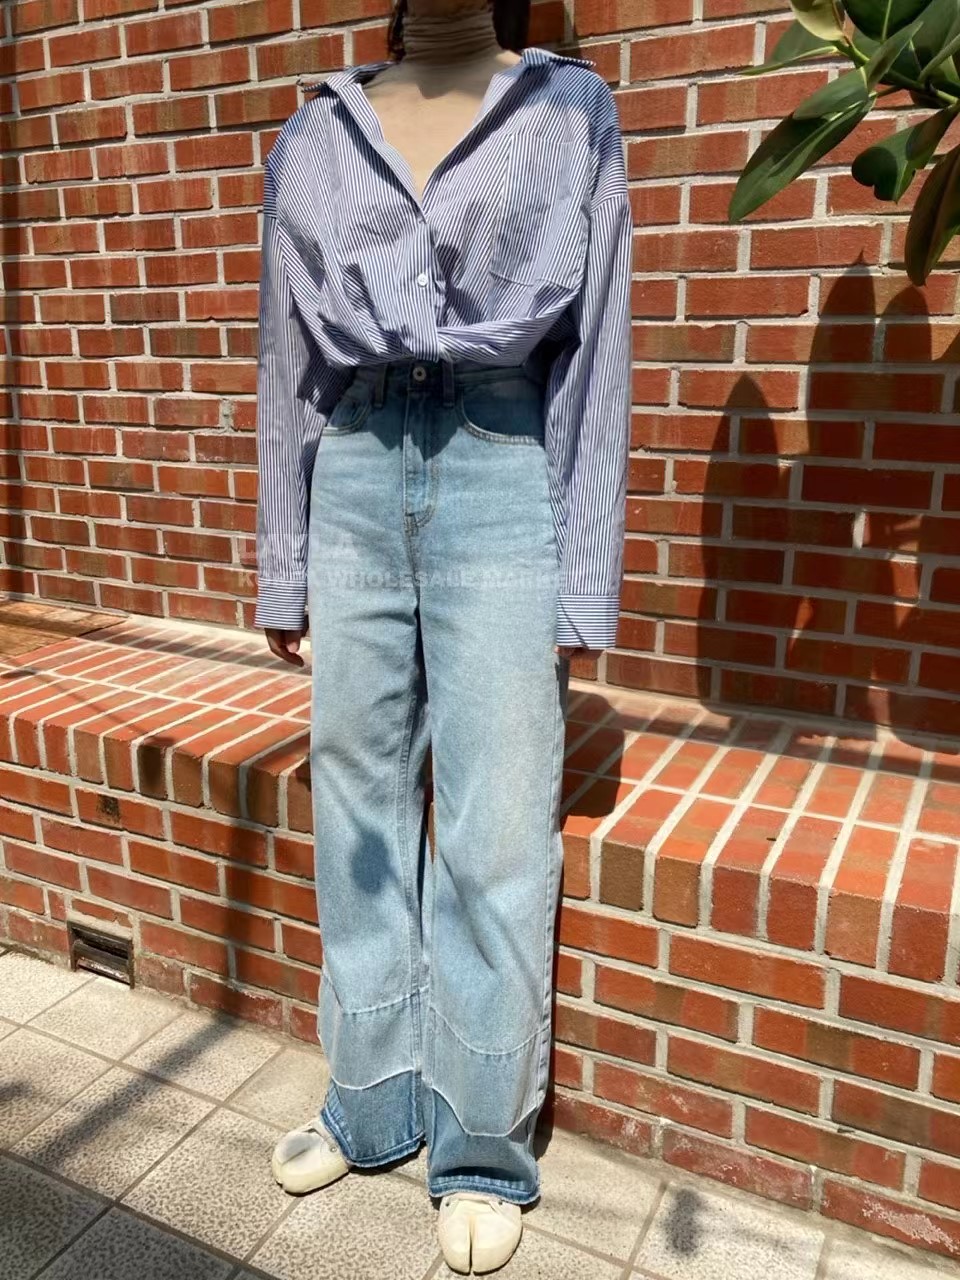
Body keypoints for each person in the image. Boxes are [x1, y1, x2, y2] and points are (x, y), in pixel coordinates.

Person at [253, 0, 632, 1271]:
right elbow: (285, 356)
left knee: (497, 816)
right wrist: (286, 567)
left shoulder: (569, 109)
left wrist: (583, 582)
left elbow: (598, 352)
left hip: (500, 457)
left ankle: (480, 1140)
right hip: (355, 460)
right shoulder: (313, 135)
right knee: (356, 799)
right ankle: (370, 1095)